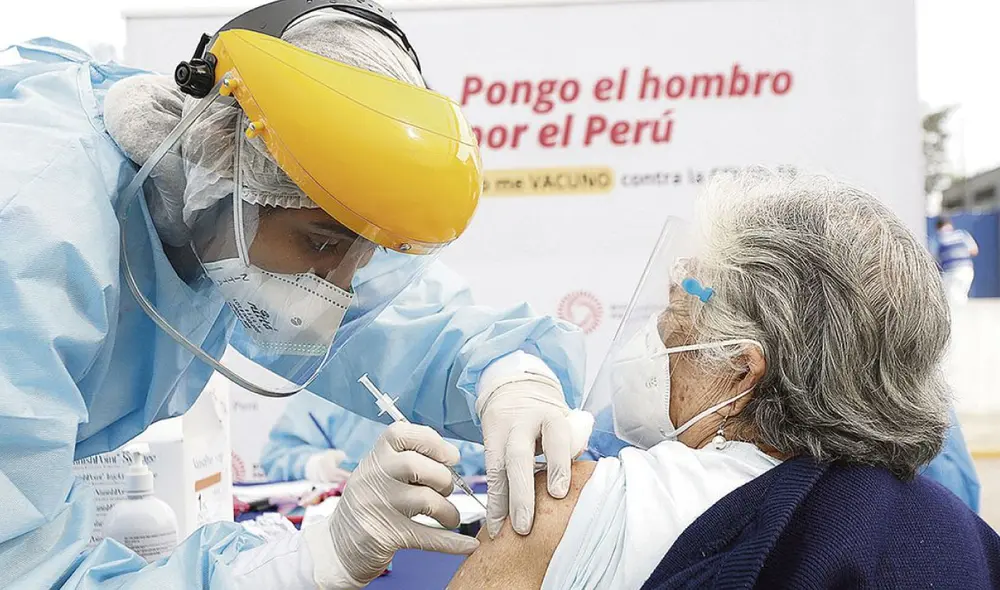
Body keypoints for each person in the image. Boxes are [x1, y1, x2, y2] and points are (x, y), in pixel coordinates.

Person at [0, 3, 593, 588]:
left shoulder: (215, 204)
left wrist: (508, 374)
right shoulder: (33, 239)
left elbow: (394, 324)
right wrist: (296, 566)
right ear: (226, 168)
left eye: (365, 253)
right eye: (321, 243)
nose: (339, 287)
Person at [447, 169, 1000, 589]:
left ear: (741, 370)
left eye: (674, 311)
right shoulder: (960, 538)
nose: (657, 333)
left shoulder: (567, 510)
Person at [261, 390, 485, 482]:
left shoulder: (446, 385)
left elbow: (486, 452)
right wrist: (315, 465)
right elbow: (276, 455)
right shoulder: (327, 390)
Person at [935, 217, 979, 304]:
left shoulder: (938, 239)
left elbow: (934, 258)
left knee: (951, 298)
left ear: (938, 228)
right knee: (961, 295)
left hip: (950, 272)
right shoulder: (962, 235)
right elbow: (974, 251)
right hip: (967, 270)